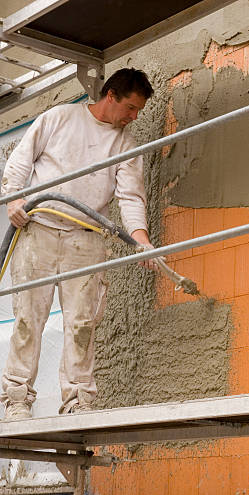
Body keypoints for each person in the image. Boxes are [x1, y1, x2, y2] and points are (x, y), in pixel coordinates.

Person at [0, 68, 155, 420]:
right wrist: (13, 201)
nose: (133, 117)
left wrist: (142, 241)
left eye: (138, 112)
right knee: (28, 319)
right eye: (130, 108)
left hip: (86, 237)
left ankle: (77, 402)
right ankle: (17, 400)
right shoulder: (60, 118)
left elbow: (131, 198)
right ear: (111, 95)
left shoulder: (125, 144)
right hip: (38, 228)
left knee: (82, 323)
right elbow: (21, 159)